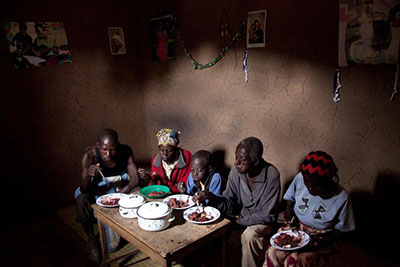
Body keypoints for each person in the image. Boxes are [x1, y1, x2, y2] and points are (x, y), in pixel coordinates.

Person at [194, 137, 281, 267]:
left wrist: (240, 221)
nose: (237, 163)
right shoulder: (236, 171)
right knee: (211, 230)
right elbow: (229, 202)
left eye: (243, 159)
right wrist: (211, 197)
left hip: (263, 221)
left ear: (256, 161)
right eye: (236, 158)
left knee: (250, 235)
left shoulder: (271, 174)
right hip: (241, 216)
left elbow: (266, 214)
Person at [265, 151, 356, 267]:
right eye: (307, 185)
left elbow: (343, 230)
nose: (310, 190)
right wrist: (288, 210)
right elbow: (290, 198)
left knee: (295, 261)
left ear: (329, 180)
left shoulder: (342, 197)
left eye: (316, 185)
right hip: (297, 228)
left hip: (322, 237)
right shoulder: (300, 177)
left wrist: (322, 240)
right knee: (273, 252)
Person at [74, 129, 140, 264]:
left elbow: (134, 180)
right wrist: (89, 175)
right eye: (104, 150)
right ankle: (91, 238)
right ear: (98, 146)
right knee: (80, 197)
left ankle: (130, 229)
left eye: (113, 150)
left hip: (117, 187)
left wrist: (120, 194)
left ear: (118, 145)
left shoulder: (125, 150)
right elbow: (84, 188)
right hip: (96, 188)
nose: (108, 154)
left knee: (113, 248)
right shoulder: (90, 155)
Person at [138, 128, 192, 193]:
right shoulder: (156, 161)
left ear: (175, 149)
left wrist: (183, 183)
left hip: (181, 193)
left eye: (169, 151)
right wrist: (148, 178)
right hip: (163, 193)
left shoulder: (186, 156)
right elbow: (155, 184)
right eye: (161, 150)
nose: (164, 154)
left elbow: (190, 175)